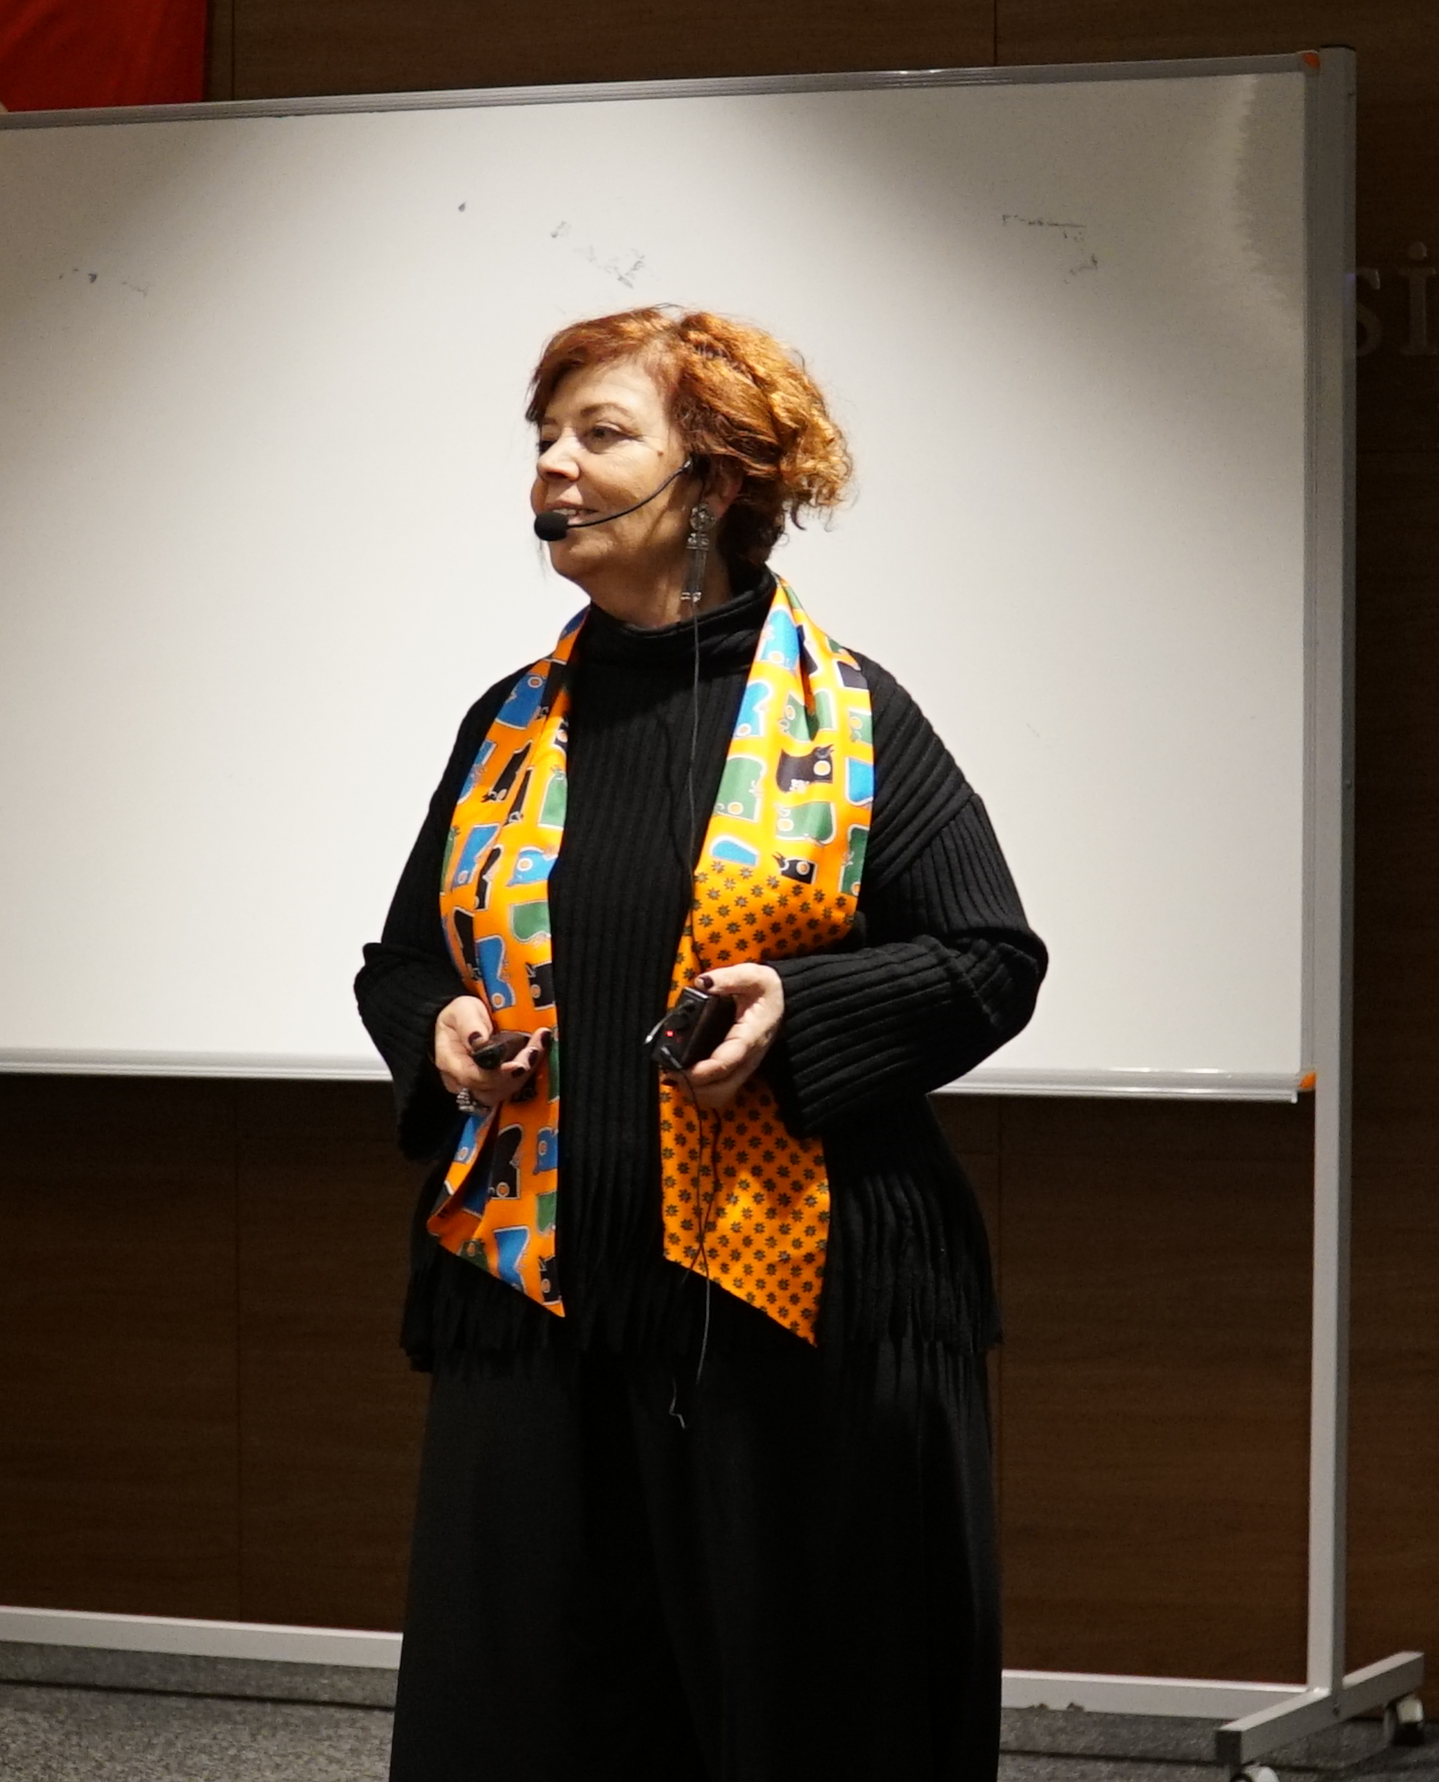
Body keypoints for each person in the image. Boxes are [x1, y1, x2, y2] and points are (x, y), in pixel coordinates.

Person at [353, 306, 1044, 1781]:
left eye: (599, 434)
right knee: (533, 1728)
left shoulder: (853, 714)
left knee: (803, 1722)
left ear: (714, 481)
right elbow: (403, 963)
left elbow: (991, 959)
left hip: (798, 1317)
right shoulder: (507, 724)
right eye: (544, 437)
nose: (552, 466)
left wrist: (808, 1009)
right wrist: (443, 1028)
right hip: (539, 1300)